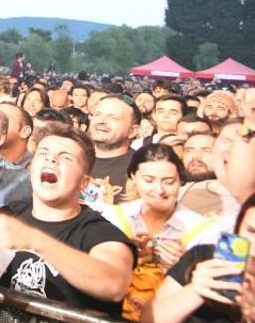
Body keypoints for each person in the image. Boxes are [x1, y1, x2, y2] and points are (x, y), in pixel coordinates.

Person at [0, 124, 136, 318]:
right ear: (31, 168)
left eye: (66, 157)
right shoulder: (12, 213)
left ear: (84, 182)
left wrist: (36, 241)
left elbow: (114, 285)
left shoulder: (99, 232)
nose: (52, 158)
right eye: (43, 153)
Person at [101, 144, 222, 320]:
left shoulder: (204, 231)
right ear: (133, 177)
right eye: (149, 180)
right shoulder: (113, 218)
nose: (159, 190)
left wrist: (184, 268)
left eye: (169, 181)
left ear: (181, 180)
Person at [144, 194, 255, 323]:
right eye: (251, 231)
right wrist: (196, 290)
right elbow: (148, 318)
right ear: (238, 227)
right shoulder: (204, 257)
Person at [87, 94, 142, 208]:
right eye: (98, 115)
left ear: (132, 131)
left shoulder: (142, 168)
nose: (102, 121)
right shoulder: (72, 156)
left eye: (113, 118)